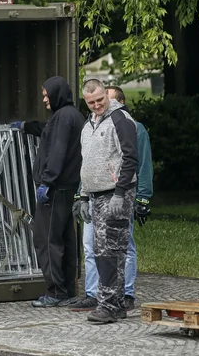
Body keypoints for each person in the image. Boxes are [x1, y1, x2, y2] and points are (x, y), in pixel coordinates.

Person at [71, 86, 153, 313]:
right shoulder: (89, 125)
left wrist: (121, 193)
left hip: (115, 194)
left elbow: (131, 158)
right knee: (99, 251)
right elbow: (86, 164)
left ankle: (113, 303)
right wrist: (84, 196)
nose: (97, 105)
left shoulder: (121, 120)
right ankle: (108, 302)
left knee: (113, 251)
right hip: (95, 194)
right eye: (91, 102)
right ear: (85, 103)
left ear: (106, 96)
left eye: (100, 100)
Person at [10, 76, 84, 307]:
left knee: (46, 240)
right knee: (66, 240)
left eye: (46, 94)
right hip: (66, 188)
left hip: (55, 189)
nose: (44, 99)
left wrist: (47, 182)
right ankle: (68, 290)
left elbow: (58, 151)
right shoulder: (71, 116)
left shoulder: (63, 118)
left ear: (56, 93)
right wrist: (27, 126)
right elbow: (48, 132)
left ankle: (56, 291)